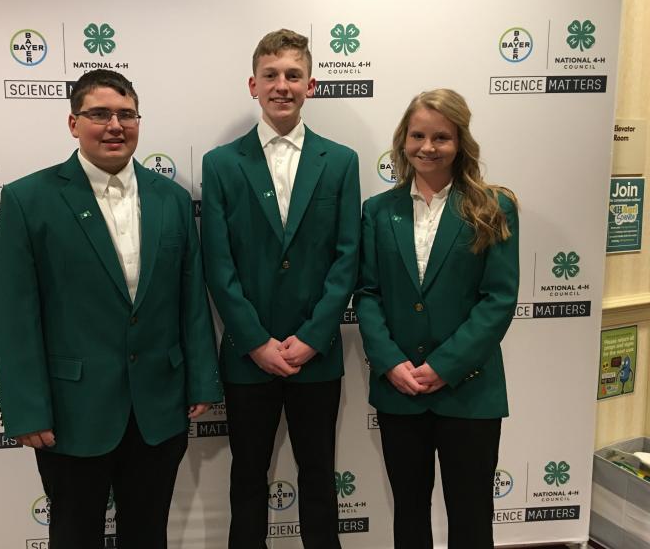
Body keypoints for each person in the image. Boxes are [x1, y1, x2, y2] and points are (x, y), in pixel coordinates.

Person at [0, 69, 222, 549]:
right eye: (99, 114)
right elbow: (15, 317)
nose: (114, 125)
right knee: (75, 535)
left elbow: (190, 298)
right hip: (73, 412)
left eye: (126, 114)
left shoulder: (173, 200)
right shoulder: (28, 200)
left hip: (158, 407)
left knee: (148, 533)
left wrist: (202, 378)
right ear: (74, 123)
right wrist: (27, 408)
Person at [200, 29, 360, 549]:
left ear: (310, 84)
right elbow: (218, 264)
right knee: (247, 476)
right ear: (253, 84)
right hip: (250, 356)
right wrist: (254, 341)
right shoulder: (222, 163)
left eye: (293, 75)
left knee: (319, 475)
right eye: (271, 75)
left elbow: (346, 258)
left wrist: (314, 336)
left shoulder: (341, 161)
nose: (282, 85)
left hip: (318, 354)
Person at [354, 88, 519, 549]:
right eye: (418, 135)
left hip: (469, 391)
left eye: (441, 137)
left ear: (460, 141)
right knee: (408, 512)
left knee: (470, 516)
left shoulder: (492, 207)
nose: (428, 147)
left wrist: (445, 366)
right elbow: (367, 294)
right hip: (400, 388)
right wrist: (390, 362)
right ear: (403, 140)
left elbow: (498, 300)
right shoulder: (377, 211)